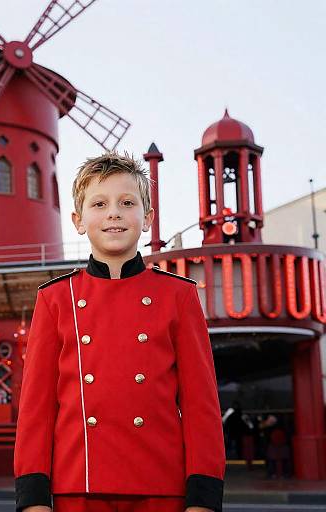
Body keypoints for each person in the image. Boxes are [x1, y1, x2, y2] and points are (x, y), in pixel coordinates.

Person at [14, 152, 226, 512]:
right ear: (79, 221)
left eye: (127, 202)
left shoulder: (179, 295)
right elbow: (36, 408)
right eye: (100, 203)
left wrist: (203, 498)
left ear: (147, 218)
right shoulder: (55, 299)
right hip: (77, 486)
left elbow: (200, 405)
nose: (114, 212)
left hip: (161, 487)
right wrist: (33, 498)